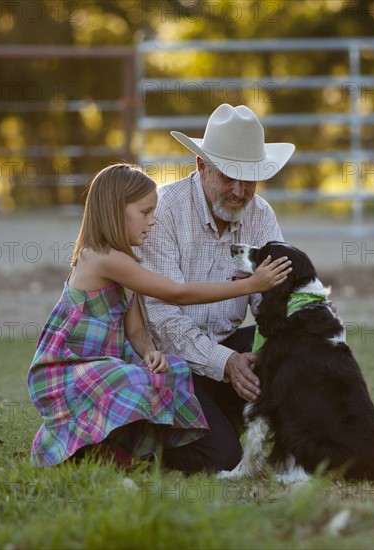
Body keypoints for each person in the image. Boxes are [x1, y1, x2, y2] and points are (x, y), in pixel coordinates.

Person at [27, 163, 291, 469]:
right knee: (131, 379)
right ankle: (67, 448)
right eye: (145, 213)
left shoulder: (128, 261)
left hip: (107, 362)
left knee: (168, 372)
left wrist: (151, 352)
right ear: (115, 211)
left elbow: (136, 327)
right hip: (72, 366)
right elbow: (175, 293)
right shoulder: (102, 259)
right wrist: (250, 284)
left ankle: (117, 449)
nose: (153, 222)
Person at [140, 104, 296, 472]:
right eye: (229, 176)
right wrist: (225, 363)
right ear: (201, 166)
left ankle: (239, 424)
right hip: (167, 363)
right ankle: (149, 431)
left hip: (224, 348)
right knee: (222, 457)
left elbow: (271, 297)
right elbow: (160, 317)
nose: (240, 191)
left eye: (250, 178)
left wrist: (302, 312)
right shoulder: (164, 211)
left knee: (293, 346)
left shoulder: (262, 215)